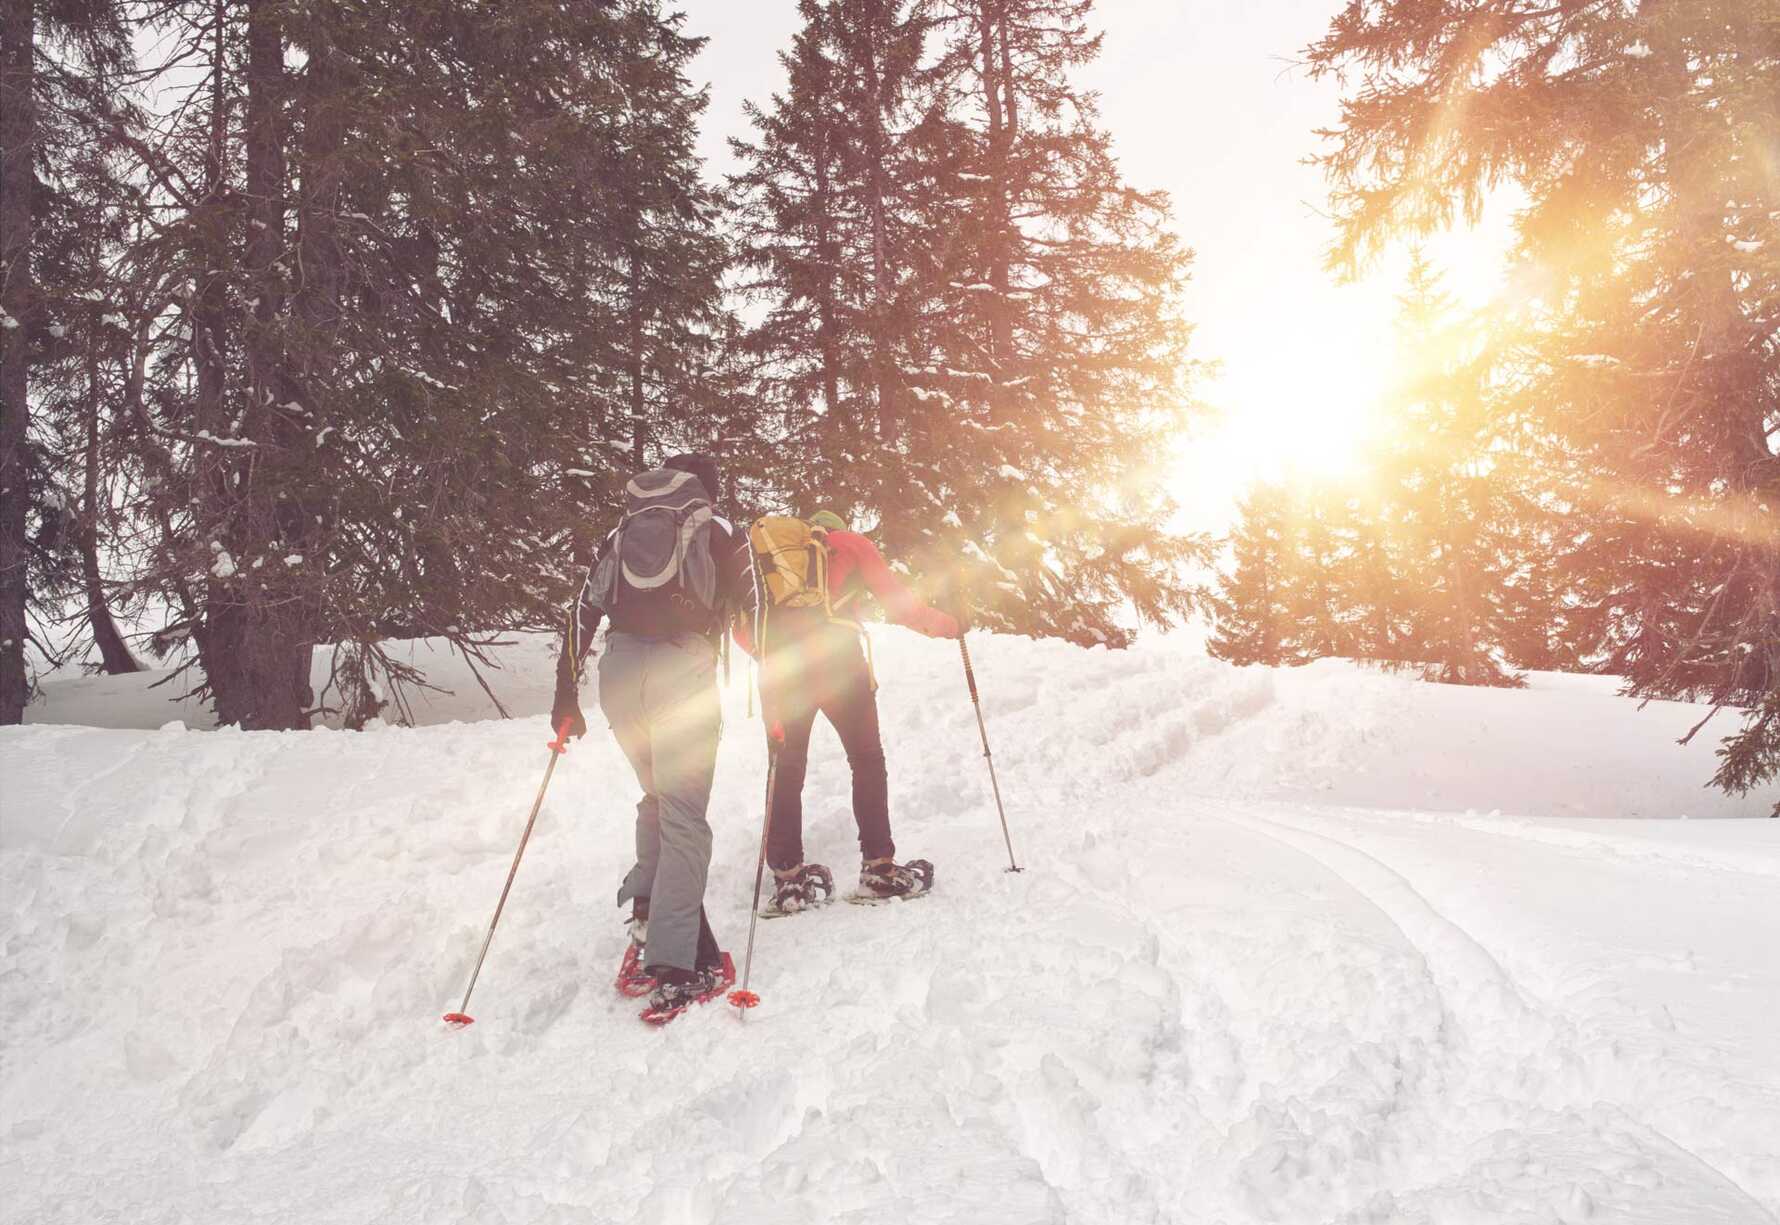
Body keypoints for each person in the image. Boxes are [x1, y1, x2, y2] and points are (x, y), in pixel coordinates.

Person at [552, 453, 752, 1021]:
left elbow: (581, 611)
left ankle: (648, 918)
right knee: (685, 812)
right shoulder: (719, 529)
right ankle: (676, 964)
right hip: (682, 674)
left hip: (619, 674)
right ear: (707, 490)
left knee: (658, 797)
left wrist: (564, 695)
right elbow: (757, 610)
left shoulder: (624, 531)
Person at [739, 509, 964, 915]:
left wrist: (768, 653)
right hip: (840, 663)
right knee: (866, 760)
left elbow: (740, 626)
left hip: (783, 670)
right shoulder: (851, 545)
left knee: (786, 769)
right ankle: (878, 870)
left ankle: (789, 884)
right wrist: (950, 625)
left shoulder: (767, 560)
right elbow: (901, 608)